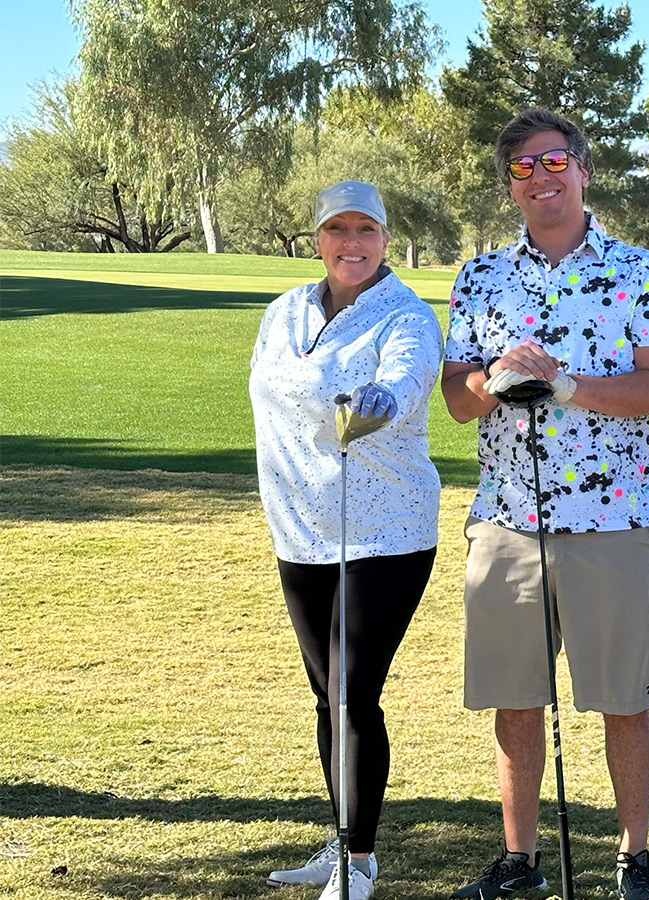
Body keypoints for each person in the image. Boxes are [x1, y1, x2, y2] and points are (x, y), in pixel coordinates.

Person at [440, 108, 649, 900]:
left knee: (622, 700)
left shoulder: (641, 271)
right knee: (515, 699)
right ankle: (520, 862)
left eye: (553, 163)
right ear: (509, 185)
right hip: (507, 519)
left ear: (582, 167)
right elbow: (457, 397)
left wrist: (569, 386)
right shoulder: (479, 277)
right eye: (522, 169)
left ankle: (633, 858)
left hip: (609, 520)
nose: (540, 179)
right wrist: (494, 377)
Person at [251, 180, 443, 900]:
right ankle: (340, 844)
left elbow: (407, 380)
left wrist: (377, 402)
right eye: (338, 230)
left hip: (384, 529)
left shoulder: (406, 316)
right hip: (300, 528)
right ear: (318, 239)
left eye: (366, 230)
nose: (352, 243)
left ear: (386, 239)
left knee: (354, 693)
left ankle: (359, 864)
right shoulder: (286, 310)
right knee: (326, 695)